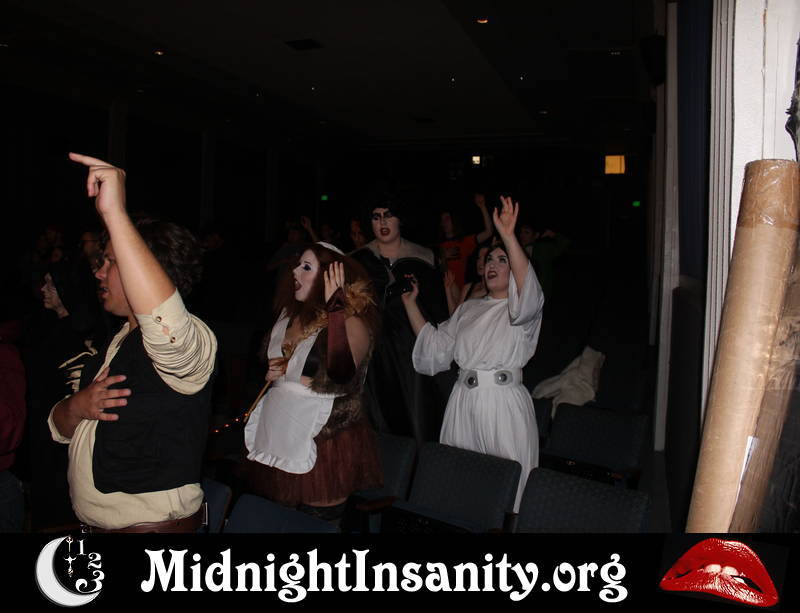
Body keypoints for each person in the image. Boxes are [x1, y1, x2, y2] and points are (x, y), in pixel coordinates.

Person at [48, 153, 217, 533]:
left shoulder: (192, 337)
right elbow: (58, 427)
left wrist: (115, 214)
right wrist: (76, 407)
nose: (99, 272)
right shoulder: (120, 339)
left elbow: (167, 327)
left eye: (111, 261)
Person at [401, 196, 544, 510]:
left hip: (503, 405)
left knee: (506, 492)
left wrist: (508, 236)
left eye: (502, 260)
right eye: (489, 260)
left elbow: (528, 285)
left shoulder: (524, 311)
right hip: (462, 402)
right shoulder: (468, 309)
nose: (492, 264)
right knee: (460, 487)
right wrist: (411, 304)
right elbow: (435, 346)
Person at [244, 242, 381, 520]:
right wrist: (275, 374)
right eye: (297, 265)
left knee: (314, 521)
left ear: (330, 276)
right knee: (275, 518)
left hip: (323, 436)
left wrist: (336, 309)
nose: (295, 271)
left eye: (306, 267)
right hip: (278, 430)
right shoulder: (287, 316)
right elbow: (287, 366)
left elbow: (342, 373)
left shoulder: (351, 320)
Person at [351, 193, 451, 443]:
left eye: (388, 215)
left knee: (418, 416)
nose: (382, 222)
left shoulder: (424, 257)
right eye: (376, 217)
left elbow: (438, 313)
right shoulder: (358, 261)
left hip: (413, 350)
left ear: (400, 219)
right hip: (374, 352)